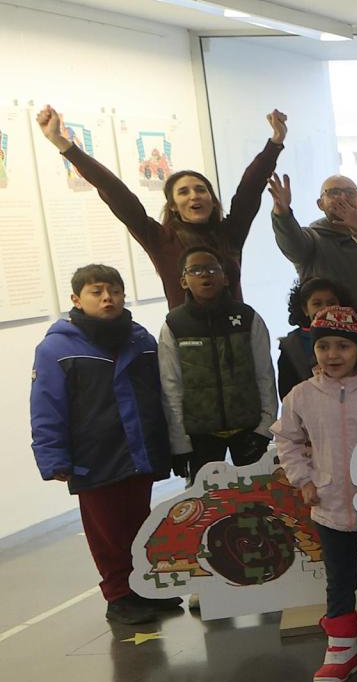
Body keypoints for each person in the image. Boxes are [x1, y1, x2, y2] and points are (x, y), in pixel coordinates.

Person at [272, 305, 357, 682]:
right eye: (324, 347)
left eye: (342, 347)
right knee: (339, 578)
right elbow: (287, 439)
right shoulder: (302, 396)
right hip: (329, 504)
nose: (332, 355)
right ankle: (341, 648)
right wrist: (303, 478)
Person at [31, 265, 174, 626]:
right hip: (93, 457)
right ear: (77, 299)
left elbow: (159, 395)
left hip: (138, 451)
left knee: (139, 524)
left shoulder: (140, 339)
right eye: (97, 291)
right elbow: (46, 406)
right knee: (106, 532)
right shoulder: (56, 348)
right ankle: (118, 596)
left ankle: (142, 587)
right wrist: (53, 458)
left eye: (114, 290)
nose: (107, 298)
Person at [36, 106, 286, 308]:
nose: (194, 196)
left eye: (201, 189)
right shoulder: (160, 239)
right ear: (174, 206)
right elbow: (115, 192)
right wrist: (63, 144)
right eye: (183, 192)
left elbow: (249, 190)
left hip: (237, 335)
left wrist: (275, 142)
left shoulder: (229, 233)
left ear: (212, 199)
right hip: (188, 345)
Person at [158, 246, 276, 481]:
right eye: (196, 270)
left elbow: (265, 374)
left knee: (259, 498)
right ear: (183, 281)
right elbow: (171, 387)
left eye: (213, 269)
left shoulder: (247, 318)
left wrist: (265, 428)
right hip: (201, 435)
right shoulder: (174, 325)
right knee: (206, 505)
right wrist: (179, 443)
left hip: (249, 430)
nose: (205, 275)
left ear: (225, 278)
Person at [270, 172, 357, 371]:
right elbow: (291, 241)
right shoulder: (312, 240)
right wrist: (282, 214)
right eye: (334, 192)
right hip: (331, 352)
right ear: (320, 203)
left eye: (349, 192)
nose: (342, 197)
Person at [277, 276, 345, 399]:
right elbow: (287, 394)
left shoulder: (355, 337)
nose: (325, 308)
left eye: (331, 303)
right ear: (305, 309)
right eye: (317, 304)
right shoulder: (292, 346)